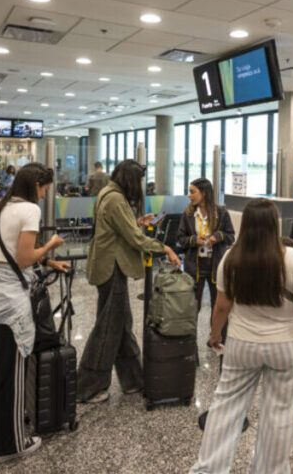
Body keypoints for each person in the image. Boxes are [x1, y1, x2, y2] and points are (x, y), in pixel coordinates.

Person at [190, 199, 293, 474]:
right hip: (286, 347)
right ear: (274, 225)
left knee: (226, 408)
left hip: (241, 344)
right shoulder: (292, 258)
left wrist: (214, 334)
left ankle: (208, 469)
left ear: (245, 224)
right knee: (280, 414)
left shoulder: (231, 257)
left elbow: (222, 305)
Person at [0, 163, 68, 462]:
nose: (46, 193)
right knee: (10, 374)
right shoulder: (29, 211)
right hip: (8, 302)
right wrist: (50, 245)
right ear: (37, 184)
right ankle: (10, 444)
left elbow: (2, 252)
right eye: (46, 188)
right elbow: (23, 258)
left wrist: (47, 263)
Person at [77, 159, 180, 404]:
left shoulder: (108, 193)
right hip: (111, 267)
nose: (140, 186)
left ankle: (134, 379)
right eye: (139, 181)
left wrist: (138, 222)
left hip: (110, 265)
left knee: (122, 323)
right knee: (108, 327)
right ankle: (88, 386)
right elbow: (134, 239)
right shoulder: (114, 198)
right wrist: (164, 248)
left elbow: (121, 228)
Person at [177, 177, 235, 339]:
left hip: (216, 266)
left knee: (219, 305)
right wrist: (193, 240)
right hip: (194, 267)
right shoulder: (188, 214)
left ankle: (218, 338)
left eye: (192, 192)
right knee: (192, 307)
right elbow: (180, 239)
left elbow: (231, 236)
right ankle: (190, 342)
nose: (189, 195)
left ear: (204, 193)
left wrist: (217, 236)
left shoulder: (221, 213)